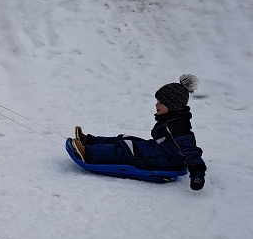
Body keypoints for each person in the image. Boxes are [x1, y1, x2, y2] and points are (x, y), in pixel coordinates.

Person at [71, 74, 206, 190]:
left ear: (172, 106)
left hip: (167, 161)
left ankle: (88, 153)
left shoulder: (178, 126)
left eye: (161, 102)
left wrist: (197, 172)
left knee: (127, 150)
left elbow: (190, 149)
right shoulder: (171, 119)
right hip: (160, 153)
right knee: (126, 139)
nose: (156, 105)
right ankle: (89, 141)